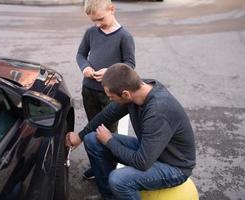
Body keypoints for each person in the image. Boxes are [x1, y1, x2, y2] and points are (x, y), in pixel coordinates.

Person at [66, 63, 196, 200]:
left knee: (119, 179)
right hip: (151, 150)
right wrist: (80, 136)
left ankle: (119, 189)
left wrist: (110, 141)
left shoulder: (157, 111)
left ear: (125, 94)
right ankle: (110, 196)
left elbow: (142, 162)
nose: (110, 100)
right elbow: (107, 114)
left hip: (174, 166)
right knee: (92, 139)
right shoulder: (137, 88)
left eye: (111, 97)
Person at [76, 0, 135, 180]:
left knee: (107, 134)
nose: (97, 24)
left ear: (112, 9)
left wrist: (110, 71)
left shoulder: (124, 36)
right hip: (89, 91)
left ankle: (108, 169)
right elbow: (80, 55)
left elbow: (130, 64)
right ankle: (97, 165)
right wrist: (85, 67)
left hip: (111, 95)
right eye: (93, 20)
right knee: (93, 132)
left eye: (100, 19)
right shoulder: (91, 32)